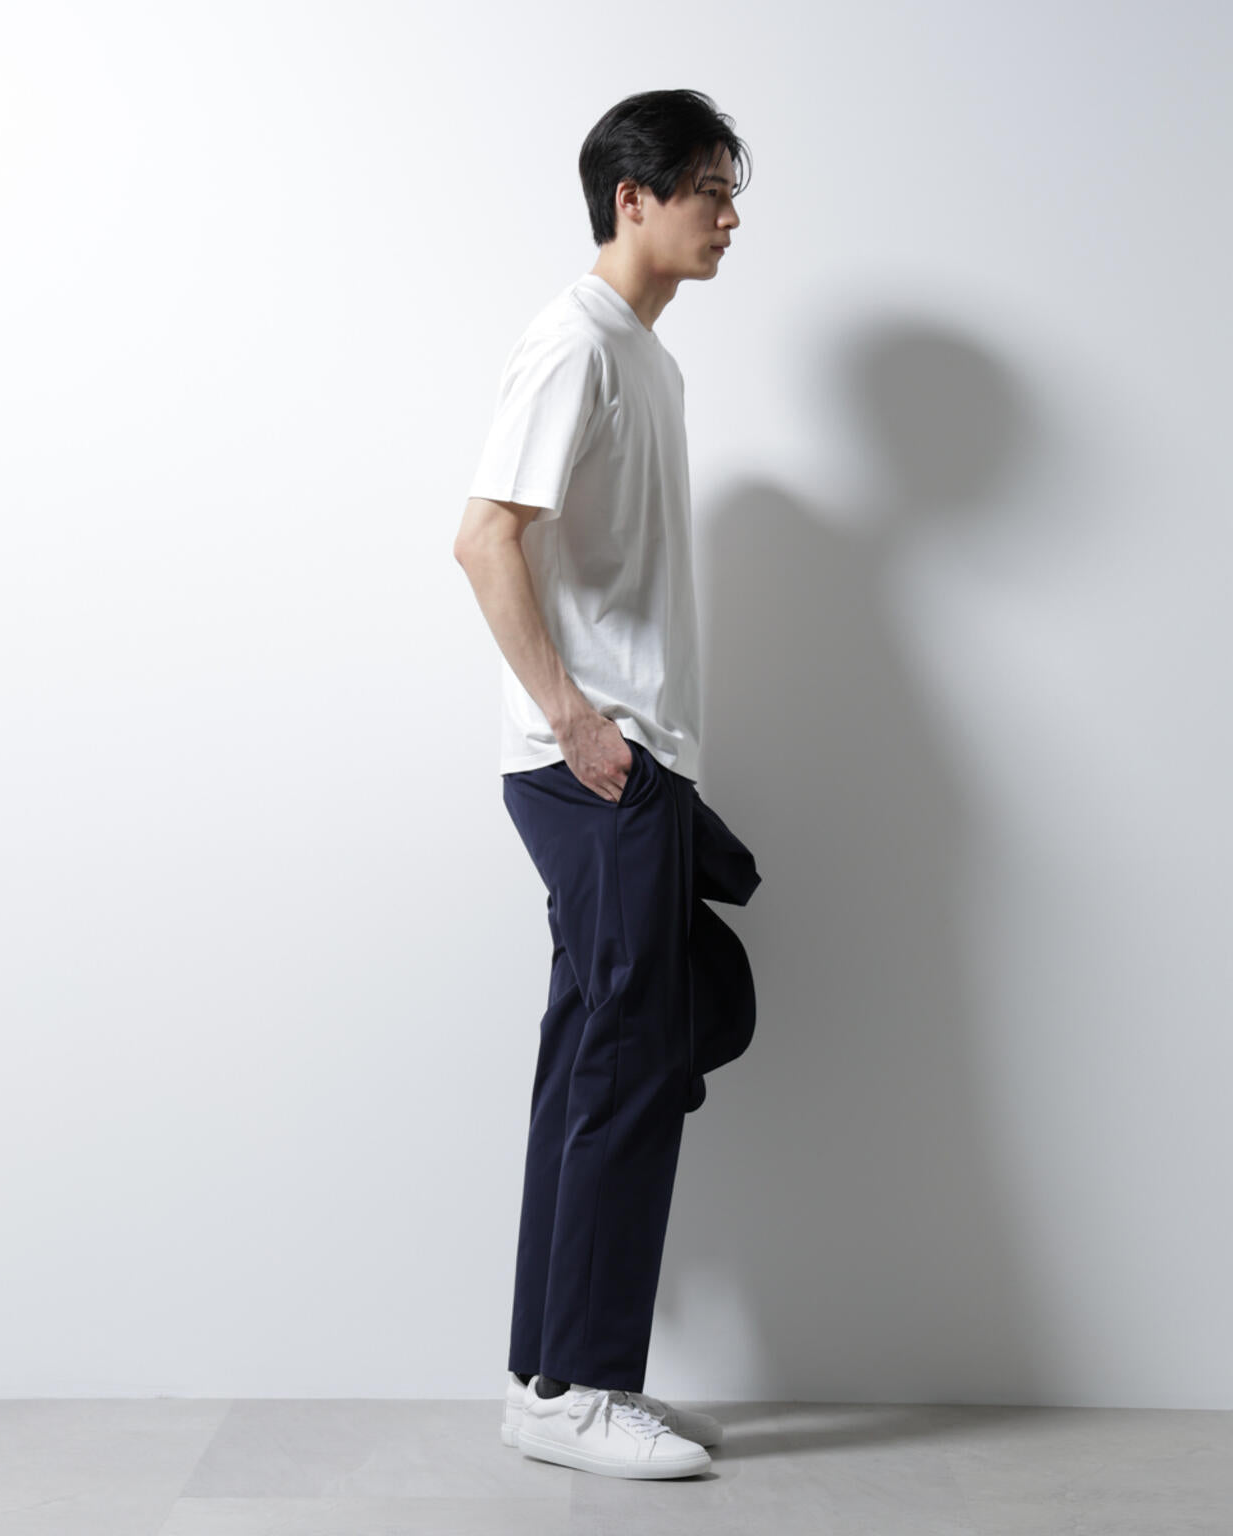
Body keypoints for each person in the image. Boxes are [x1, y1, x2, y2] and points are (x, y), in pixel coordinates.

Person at [453, 89, 759, 1482]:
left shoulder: (647, 358)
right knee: (630, 1063)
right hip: (596, 770)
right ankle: (579, 1387)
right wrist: (577, 723)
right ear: (632, 197)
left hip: (633, 768)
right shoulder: (574, 341)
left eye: (731, 191)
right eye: (708, 189)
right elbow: (484, 538)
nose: (729, 216)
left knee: (599, 1057)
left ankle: (550, 1378)